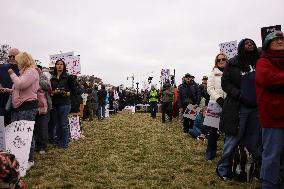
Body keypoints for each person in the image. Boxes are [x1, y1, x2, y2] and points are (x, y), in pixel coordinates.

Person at [217, 38, 261, 181]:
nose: (250, 44)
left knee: (254, 141)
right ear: (241, 47)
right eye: (246, 43)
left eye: (252, 43)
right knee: (232, 139)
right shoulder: (233, 63)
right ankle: (222, 169)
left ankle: (254, 171)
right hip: (238, 108)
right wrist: (239, 94)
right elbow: (225, 83)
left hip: (256, 108)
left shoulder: (260, 62)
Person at [256, 31, 284, 189]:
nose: (280, 41)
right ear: (267, 44)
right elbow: (268, 79)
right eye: (276, 39)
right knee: (272, 156)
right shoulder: (263, 62)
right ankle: (269, 185)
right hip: (273, 117)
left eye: (282, 39)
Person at [8, 52, 40, 170]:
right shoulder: (25, 72)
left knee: (26, 134)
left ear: (23, 60)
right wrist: (8, 90)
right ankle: (20, 158)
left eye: (17, 60)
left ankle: (29, 160)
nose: (16, 62)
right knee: (18, 134)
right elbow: (17, 87)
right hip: (19, 106)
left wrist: (12, 74)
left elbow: (20, 84)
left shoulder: (32, 71)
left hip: (27, 106)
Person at [205, 53, 227, 161]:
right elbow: (209, 89)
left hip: (229, 104)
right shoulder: (212, 73)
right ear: (216, 62)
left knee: (228, 130)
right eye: (219, 60)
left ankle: (227, 153)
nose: (221, 61)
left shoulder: (231, 72)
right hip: (215, 103)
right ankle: (210, 152)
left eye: (223, 59)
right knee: (213, 130)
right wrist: (219, 99)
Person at [50, 59, 75, 148]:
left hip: (65, 103)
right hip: (55, 103)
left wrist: (67, 93)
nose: (59, 66)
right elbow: (50, 91)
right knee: (57, 124)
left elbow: (74, 90)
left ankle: (65, 143)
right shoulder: (52, 78)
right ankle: (58, 141)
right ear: (55, 66)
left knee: (63, 124)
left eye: (61, 64)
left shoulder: (68, 77)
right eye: (58, 64)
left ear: (64, 66)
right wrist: (53, 92)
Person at [34, 65, 52, 155]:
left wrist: (37, 78)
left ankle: (42, 146)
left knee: (42, 127)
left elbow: (48, 87)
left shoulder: (43, 76)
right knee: (34, 127)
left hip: (43, 106)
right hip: (31, 106)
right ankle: (34, 146)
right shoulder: (26, 75)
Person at [0, 48, 20, 125]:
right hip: (2, 103)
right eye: (10, 56)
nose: (11, 58)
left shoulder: (24, 69)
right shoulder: (1, 68)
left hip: (17, 106)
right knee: (2, 130)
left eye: (14, 56)